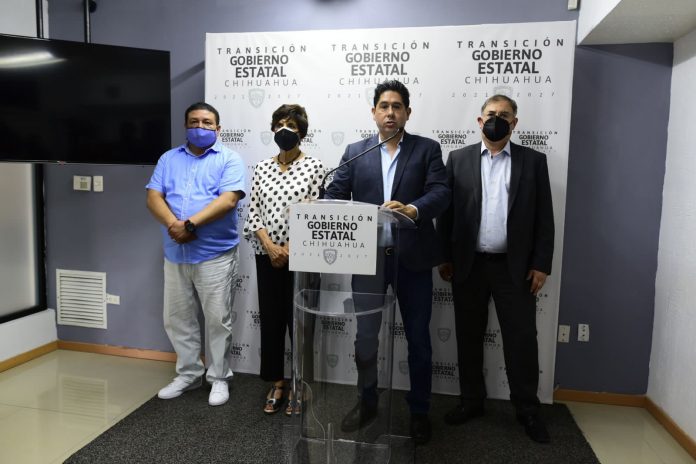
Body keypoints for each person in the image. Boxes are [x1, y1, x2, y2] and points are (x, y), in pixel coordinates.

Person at [325, 80, 450, 445]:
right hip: (368, 260)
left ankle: (419, 411)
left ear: (407, 112)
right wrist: (318, 204)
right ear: (374, 112)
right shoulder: (356, 152)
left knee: (419, 339)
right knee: (366, 337)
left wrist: (412, 208)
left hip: (413, 260)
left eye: (397, 106)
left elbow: (441, 192)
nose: (390, 112)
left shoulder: (427, 149)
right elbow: (335, 196)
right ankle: (367, 402)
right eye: (384, 106)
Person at [436, 95, 554, 443]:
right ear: (479, 120)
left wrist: (541, 264)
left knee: (522, 340)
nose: (496, 119)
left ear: (514, 123)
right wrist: (444, 256)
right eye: (491, 114)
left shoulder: (533, 162)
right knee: (468, 336)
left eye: (504, 115)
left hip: (514, 269)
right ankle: (471, 401)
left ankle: (527, 409)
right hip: (468, 265)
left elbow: (544, 217)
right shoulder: (458, 159)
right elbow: (446, 214)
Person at [146, 102, 246, 407]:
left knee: (217, 320)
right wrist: (175, 226)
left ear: (218, 128)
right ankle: (189, 374)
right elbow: (153, 196)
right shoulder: (169, 158)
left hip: (214, 254)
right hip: (175, 252)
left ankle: (219, 377)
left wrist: (190, 224)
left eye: (206, 122)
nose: (199, 127)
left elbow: (228, 200)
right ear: (185, 125)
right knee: (177, 319)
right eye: (194, 122)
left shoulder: (229, 159)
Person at [243, 104, 325, 415]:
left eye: (291, 125)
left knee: (301, 324)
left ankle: (301, 384)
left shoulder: (315, 166)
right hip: (267, 256)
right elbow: (253, 211)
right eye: (279, 124)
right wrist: (270, 246)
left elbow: (315, 211)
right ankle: (277, 381)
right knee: (272, 320)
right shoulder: (262, 167)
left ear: (301, 132)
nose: (284, 130)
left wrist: (288, 248)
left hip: (302, 258)